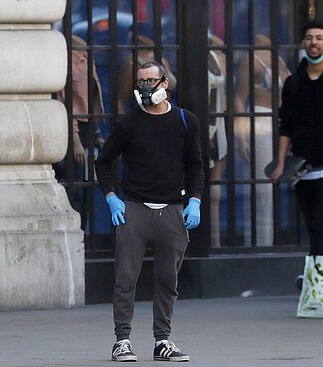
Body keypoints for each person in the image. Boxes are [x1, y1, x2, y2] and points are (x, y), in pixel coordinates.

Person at [94, 61, 203, 361]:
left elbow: (195, 165)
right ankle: (122, 340)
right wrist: (112, 197)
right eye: (140, 81)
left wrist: (195, 200)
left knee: (168, 279)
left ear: (165, 83)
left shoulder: (185, 121)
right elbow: (103, 163)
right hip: (135, 210)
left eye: (150, 80)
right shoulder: (128, 123)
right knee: (125, 278)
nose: (145, 86)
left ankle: (162, 340)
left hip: (172, 211)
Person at [271, 20, 323, 258]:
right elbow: (285, 125)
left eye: (319, 38)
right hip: (302, 167)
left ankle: (314, 277)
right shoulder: (293, 82)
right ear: (303, 43)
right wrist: (280, 164)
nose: (314, 42)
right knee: (315, 226)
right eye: (309, 38)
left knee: (321, 221)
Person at [234, 34, 291, 246]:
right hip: (259, 122)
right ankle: (258, 245)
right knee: (261, 188)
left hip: (280, 124)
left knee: (275, 188)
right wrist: (242, 136)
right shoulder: (251, 59)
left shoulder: (279, 59)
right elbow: (239, 97)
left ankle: (271, 242)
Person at [55, 35, 105, 229]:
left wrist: (96, 132)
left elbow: (92, 102)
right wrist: (74, 138)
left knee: (89, 184)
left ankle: (82, 230)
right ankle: (73, 230)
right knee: (74, 185)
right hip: (71, 130)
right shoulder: (67, 62)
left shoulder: (86, 60)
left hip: (88, 128)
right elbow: (65, 102)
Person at [208, 31, 228, 248]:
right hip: (199, 124)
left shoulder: (218, 55)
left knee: (215, 190)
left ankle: (215, 242)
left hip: (218, 123)